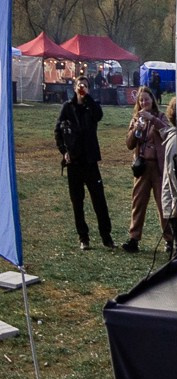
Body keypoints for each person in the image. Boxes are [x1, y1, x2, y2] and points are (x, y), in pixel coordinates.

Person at [55, 78, 110, 250]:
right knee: (77, 201)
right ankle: (83, 237)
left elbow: (99, 116)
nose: (82, 88)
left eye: (85, 86)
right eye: (79, 85)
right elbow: (58, 130)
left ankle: (106, 236)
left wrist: (88, 98)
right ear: (74, 88)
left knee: (99, 200)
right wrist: (64, 151)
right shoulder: (67, 107)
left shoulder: (91, 106)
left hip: (90, 160)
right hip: (74, 161)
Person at [124, 86, 176, 252]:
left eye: (146, 99)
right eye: (141, 100)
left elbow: (166, 131)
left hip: (159, 167)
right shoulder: (136, 119)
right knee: (138, 203)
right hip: (142, 167)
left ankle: (170, 239)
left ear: (153, 100)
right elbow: (129, 144)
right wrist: (136, 129)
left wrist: (152, 119)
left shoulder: (160, 117)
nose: (144, 102)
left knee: (163, 204)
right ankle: (134, 238)